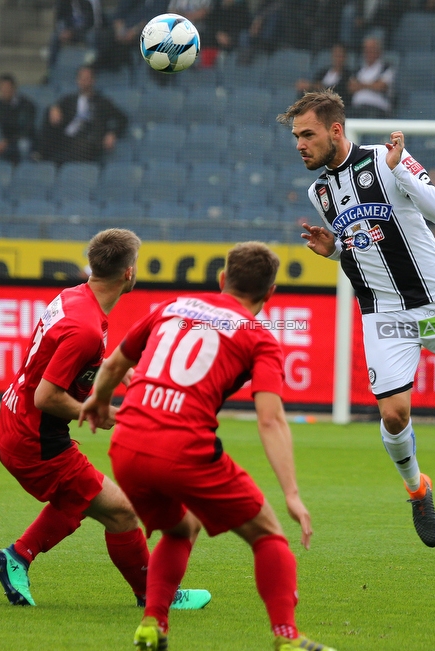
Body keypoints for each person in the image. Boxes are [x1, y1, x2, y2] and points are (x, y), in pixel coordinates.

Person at [277, 90, 435, 549]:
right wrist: (336, 251)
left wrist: (400, 168)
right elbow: (364, 243)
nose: (300, 144)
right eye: (296, 137)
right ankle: (417, 489)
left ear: (336, 130)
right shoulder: (319, 191)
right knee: (394, 410)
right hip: (385, 313)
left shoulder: (387, 160)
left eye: (307, 134)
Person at [81, 242, 335, 651]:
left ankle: (152, 624)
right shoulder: (261, 339)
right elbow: (270, 419)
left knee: (182, 527)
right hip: (182, 447)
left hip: (126, 443)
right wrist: (291, 494)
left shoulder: (172, 305)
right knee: (269, 535)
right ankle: (287, 637)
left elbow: (114, 365)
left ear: (221, 280)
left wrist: (99, 400)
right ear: (269, 296)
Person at [0, 228, 211, 611]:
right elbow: (47, 395)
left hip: (14, 422)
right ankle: (155, 595)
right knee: (121, 511)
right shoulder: (86, 328)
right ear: (128, 273)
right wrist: (96, 413)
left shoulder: (76, 298)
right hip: (36, 440)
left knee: (84, 499)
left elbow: (69, 358)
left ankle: (18, 557)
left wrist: (117, 371)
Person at [34, 65, 128, 165]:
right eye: (81, 78)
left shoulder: (103, 102)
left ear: (93, 80)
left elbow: (122, 118)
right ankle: (42, 155)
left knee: (79, 147)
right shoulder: (69, 99)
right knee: (49, 115)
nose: (84, 81)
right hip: (66, 138)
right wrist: (53, 108)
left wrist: (112, 133)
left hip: (87, 140)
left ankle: (58, 164)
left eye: (87, 78)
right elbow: (55, 110)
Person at [0, 73, 37, 164]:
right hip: (3, 141)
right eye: (1, 88)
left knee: (24, 145)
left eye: (7, 88)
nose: (4, 91)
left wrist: (7, 142)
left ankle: (23, 170)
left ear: (14, 88)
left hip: (19, 139)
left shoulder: (27, 105)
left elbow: (27, 130)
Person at [346, 35, 395, 119]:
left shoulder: (386, 68)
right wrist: (372, 85)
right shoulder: (358, 70)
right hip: (357, 108)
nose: (368, 52)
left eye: (371, 49)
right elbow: (351, 87)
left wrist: (360, 85)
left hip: (377, 109)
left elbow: (381, 86)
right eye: (366, 49)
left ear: (379, 51)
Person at [48, 0, 98, 71]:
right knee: (54, 37)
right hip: (67, 32)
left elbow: (90, 22)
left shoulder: (86, 3)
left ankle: (90, 67)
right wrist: (63, 31)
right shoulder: (62, 4)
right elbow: (59, 21)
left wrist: (73, 32)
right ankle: (51, 69)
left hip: (82, 33)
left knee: (91, 37)